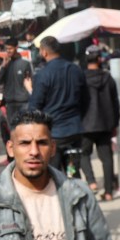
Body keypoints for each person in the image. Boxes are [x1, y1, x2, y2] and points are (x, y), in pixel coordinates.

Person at [0, 110, 120, 240]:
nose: (34, 152)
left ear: (53, 148)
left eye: (42, 143)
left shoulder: (79, 196)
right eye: (25, 143)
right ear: (11, 149)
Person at [26, 36, 87, 177]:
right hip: (74, 130)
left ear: (44, 52)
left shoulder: (43, 74)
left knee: (53, 175)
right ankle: (74, 196)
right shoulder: (75, 70)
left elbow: (34, 106)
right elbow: (85, 100)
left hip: (54, 133)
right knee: (73, 172)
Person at [80, 51, 119, 201]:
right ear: (99, 59)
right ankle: (109, 192)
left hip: (86, 123)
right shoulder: (108, 78)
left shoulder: (82, 78)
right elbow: (115, 103)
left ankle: (91, 182)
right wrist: (114, 122)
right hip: (105, 123)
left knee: (84, 154)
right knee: (107, 157)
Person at [0, 38, 32, 128]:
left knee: (25, 128)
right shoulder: (5, 64)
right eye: (7, 49)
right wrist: (3, 67)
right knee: (13, 129)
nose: (8, 51)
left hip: (23, 102)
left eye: (10, 48)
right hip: (10, 103)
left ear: (16, 47)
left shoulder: (25, 63)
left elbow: (30, 81)